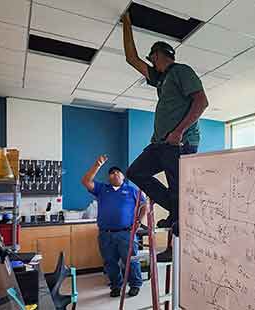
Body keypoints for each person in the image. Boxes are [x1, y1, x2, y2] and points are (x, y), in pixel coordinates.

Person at [121, 13, 209, 262]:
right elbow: (131, 58)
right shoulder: (162, 79)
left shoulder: (181, 71)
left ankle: (177, 241)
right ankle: (175, 210)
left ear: (159, 55)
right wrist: (127, 24)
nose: (151, 63)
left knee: (178, 191)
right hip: (161, 144)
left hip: (180, 143)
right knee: (135, 172)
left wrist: (179, 131)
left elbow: (202, 101)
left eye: (153, 58)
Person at [81, 155, 146, 298]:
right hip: (106, 234)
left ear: (123, 176)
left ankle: (135, 284)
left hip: (126, 233)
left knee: (131, 260)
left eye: (117, 172)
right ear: (109, 178)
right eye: (111, 172)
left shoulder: (132, 190)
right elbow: (86, 181)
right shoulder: (102, 189)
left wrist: (139, 221)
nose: (115, 173)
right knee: (110, 262)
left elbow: (144, 206)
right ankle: (116, 285)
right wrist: (97, 165)